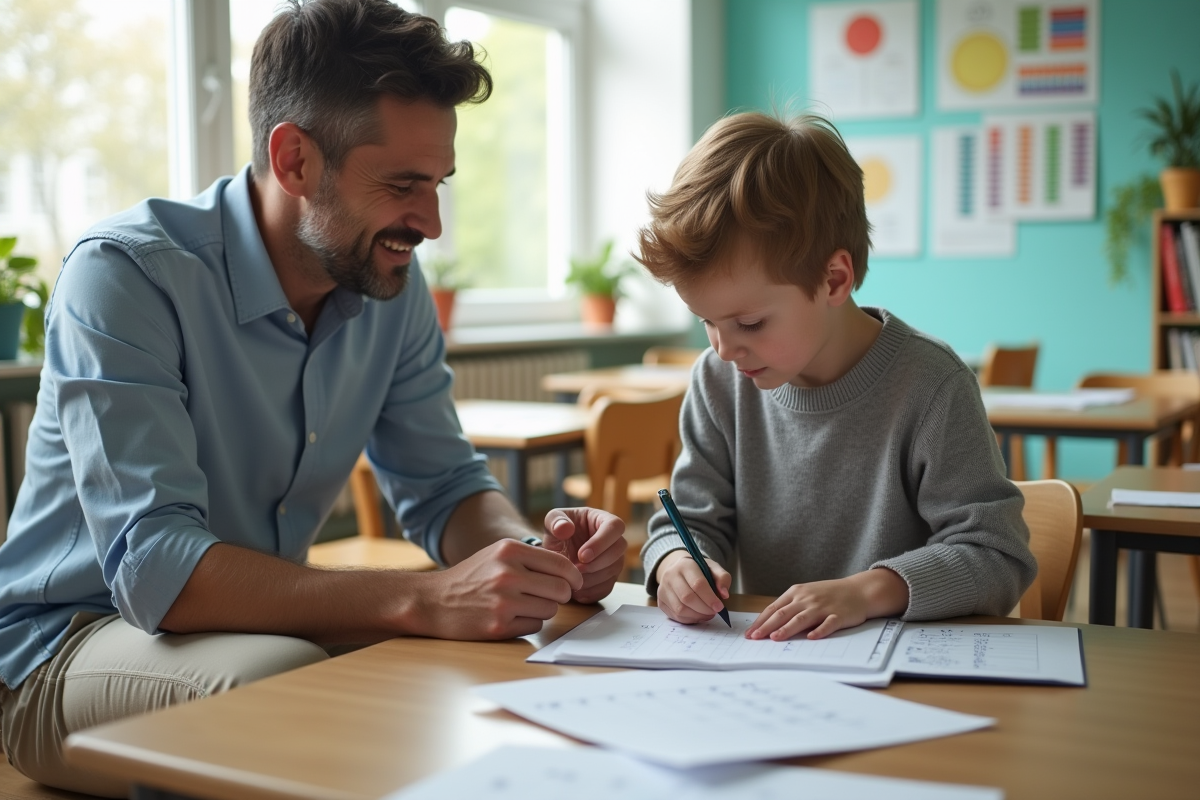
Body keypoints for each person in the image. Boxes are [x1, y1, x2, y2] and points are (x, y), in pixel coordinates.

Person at [0, 1, 626, 794]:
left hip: (253, 628)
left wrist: (534, 554)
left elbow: (445, 490)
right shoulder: (127, 276)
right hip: (67, 650)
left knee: (480, 657)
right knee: (284, 678)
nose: (431, 221)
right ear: (294, 160)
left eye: (438, 184)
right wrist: (425, 598)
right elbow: (157, 572)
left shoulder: (390, 282)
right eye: (403, 184)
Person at [636, 111, 1036, 641]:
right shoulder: (718, 380)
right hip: (767, 673)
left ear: (834, 279)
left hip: (903, 674)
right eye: (706, 321)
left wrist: (866, 591)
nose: (724, 347)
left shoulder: (932, 387)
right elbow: (688, 521)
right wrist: (676, 564)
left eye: (749, 322)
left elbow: (995, 554)